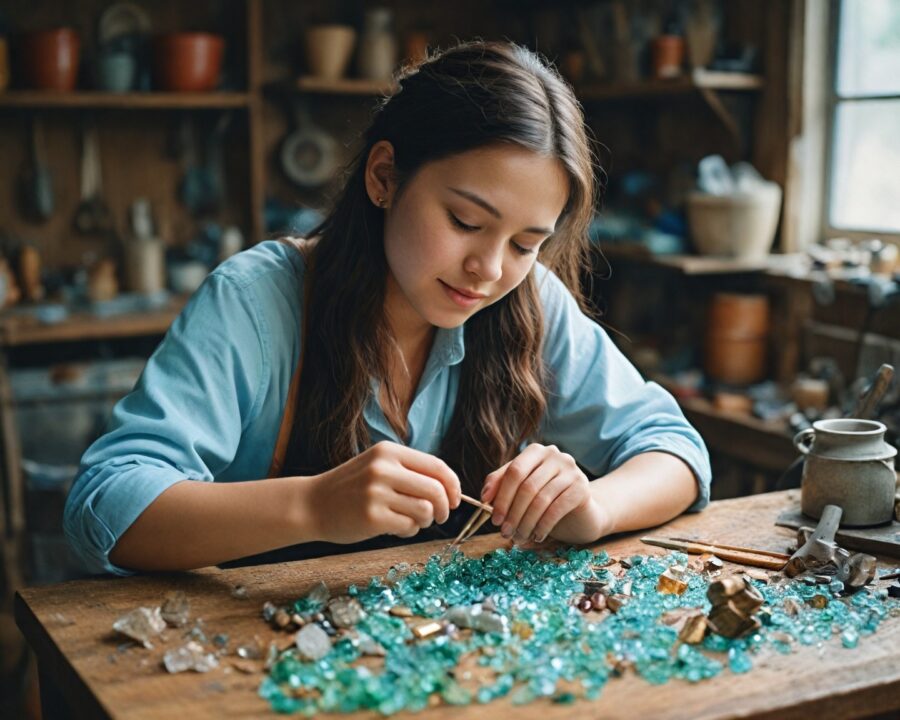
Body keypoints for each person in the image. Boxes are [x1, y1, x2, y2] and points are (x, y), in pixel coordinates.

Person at [64, 41, 711, 576]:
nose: (488, 270)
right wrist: (315, 506)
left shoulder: (531, 302)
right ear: (383, 177)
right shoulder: (258, 300)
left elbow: (676, 451)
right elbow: (105, 507)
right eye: (464, 221)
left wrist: (591, 507)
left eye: (524, 243)